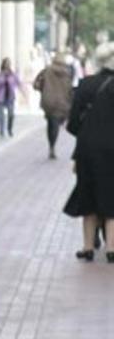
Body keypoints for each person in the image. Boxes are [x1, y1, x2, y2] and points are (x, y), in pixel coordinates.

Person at [64, 41, 114, 263]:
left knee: (88, 194)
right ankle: (112, 247)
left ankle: (87, 247)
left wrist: (88, 134)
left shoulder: (85, 85)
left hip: (88, 149)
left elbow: (73, 122)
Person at [33, 52, 73, 158]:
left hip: (48, 101)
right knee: (55, 125)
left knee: (50, 124)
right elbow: (69, 89)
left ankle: (51, 146)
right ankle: (52, 146)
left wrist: (43, 90)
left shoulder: (47, 70)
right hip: (61, 103)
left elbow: (36, 83)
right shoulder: (67, 73)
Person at [0, 57, 22, 137]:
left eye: (9, 63)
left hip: (10, 97)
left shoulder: (13, 75)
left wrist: (23, 92)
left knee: (11, 114)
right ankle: (1, 130)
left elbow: (18, 83)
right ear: (3, 65)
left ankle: (9, 129)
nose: (7, 65)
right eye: (6, 63)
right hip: (0, 97)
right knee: (0, 115)